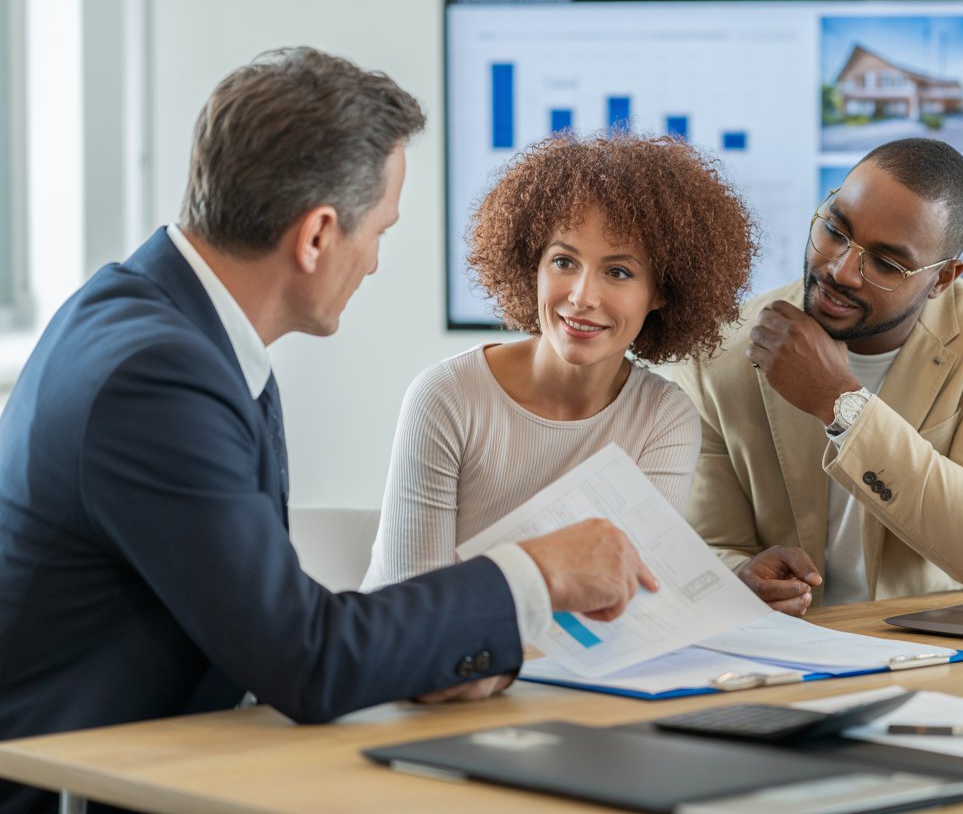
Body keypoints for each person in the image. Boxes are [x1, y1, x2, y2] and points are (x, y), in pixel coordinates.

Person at [0, 48, 658, 814]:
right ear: (316, 235)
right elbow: (304, 657)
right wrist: (534, 575)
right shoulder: (158, 378)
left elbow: (263, 615)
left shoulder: (154, 315)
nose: (376, 262)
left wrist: (432, 654)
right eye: (378, 230)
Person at [672, 138, 963, 614]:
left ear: (942, 279)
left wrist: (842, 404)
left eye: (886, 263)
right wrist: (739, 578)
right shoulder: (719, 353)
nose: (842, 270)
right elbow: (707, 547)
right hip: (795, 651)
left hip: (945, 650)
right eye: (835, 231)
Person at [361, 134, 756, 588]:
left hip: (566, 656)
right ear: (534, 264)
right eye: (564, 261)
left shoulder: (664, 418)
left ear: (662, 293)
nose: (582, 296)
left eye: (618, 271)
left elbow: (634, 596)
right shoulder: (448, 397)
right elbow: (411, 601)